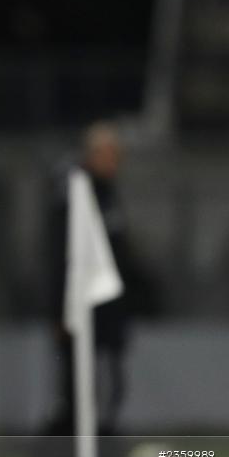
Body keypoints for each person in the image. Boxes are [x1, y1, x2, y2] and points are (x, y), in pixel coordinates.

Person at [43, 121, 141, 436]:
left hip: (110, 311)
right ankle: (72, 447)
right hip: (82, 310)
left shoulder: (110, 194)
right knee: (78, 389)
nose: (114, 162)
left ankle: (103, 446)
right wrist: (60, 311)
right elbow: (62, 257)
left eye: (116, 155)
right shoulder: (75, 192)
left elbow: (120, 257)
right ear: (92, 154)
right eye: (107, 154)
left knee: (111, 385)